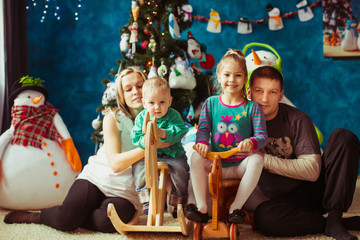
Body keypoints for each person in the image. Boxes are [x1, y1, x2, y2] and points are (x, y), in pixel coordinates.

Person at [3, 67, 172, 233]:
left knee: (106, 222)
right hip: (96, 179)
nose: (135, 91)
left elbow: (172, 144)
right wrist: (150, 146)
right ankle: (38, 217)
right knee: (66, 220)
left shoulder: (163, 119)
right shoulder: (112, 118)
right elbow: (115, 164)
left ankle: (78, 214)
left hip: (126, 194)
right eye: (128, 89)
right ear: (122, 96)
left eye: (140, 86)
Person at [246, 65, 360, 240]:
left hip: (318, 189)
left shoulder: (297, 119)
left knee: (344, 137)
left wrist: (262, 159)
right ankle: (334, 225)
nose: (264, 99)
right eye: (259, 91)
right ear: (249, 92)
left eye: (272, 92)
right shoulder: (241, 122)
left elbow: (312, 171)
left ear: (281, 95)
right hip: (284, 201)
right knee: (264, 217)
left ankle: (335, 216)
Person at [185, 49, 268, 224]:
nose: (232, 80)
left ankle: (235, 208)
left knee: (257, 160)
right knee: (195, 157)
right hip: (216, 163)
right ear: (219, 76)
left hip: (239, 166)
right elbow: (203, 130)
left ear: (245, 78)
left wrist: (251, 142)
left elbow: (262, 137)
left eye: (238, 75)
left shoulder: (252, 108)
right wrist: (202, 144)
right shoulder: (210, 103)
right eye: (227, 75)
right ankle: (201, 207)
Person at [131, 77, 189, 217]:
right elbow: (135, 137)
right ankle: (146, 198)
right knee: (138, 165)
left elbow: (181, 131)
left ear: (169, 101)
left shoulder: (173, 115)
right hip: (150, 155)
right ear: (144, 103)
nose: (157, 107)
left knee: (181, 169)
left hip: (173, 154)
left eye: (162, 102)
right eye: (151, 103)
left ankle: (178, 201)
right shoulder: (141, 118)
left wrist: (164, 133)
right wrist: (146, 139)